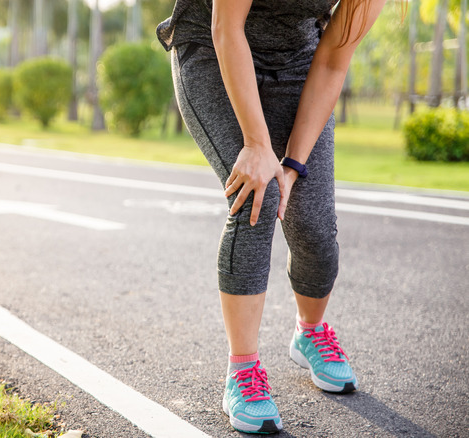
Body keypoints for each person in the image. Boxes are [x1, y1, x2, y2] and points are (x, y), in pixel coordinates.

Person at [157, 0, 387, 434]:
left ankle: (310, 331)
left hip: (300, 60)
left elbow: (334, 61)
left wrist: (294, 164)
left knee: (314, 227)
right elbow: (227, 27)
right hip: (212, 46)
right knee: (255, 198)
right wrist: (258, 145)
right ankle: (241, 372)